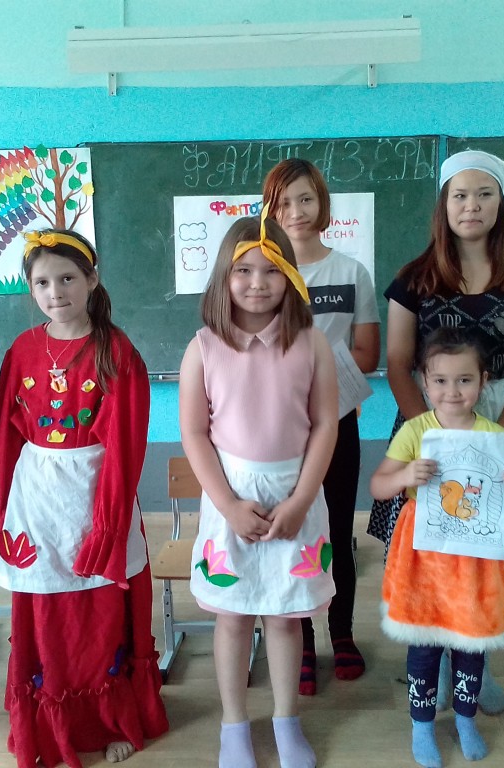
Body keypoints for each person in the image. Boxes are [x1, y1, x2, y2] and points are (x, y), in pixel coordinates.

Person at [0, 230, 168, 767]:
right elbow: (7, 438)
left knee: (99, 611)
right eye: (42, 282)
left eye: (68, 278)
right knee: (46, 608)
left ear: (92, 279)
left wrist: (109, 523)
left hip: (96, 492)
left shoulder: (115, 350)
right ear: (31, 289)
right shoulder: (22, 350)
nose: (55, 291)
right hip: (36, 495)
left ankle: (108, 721)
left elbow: (126, 444)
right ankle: (48, 721)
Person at [367, 149, 504, 712]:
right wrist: (429, 431)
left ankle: (477, 658)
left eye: (484, 194)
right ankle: (435, 659)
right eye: (460, 195)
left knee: (487, 548)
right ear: (444, 206)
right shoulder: (413, 280)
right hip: (428, 426)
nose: (472, 206)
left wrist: (494, 437)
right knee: (432, 546)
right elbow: (398, 363)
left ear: (501, 204)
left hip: (500, 424)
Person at [179, 212, 338, 768]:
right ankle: (234, 726)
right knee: (233, 616)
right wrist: (227, 505)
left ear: (290, 276)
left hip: (296, 493)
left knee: (286, 616)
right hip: (232, 496)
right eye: (242, 270)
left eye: (271, 270)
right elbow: (195, 433)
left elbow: (326, 425)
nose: (256, 283)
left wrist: (299, 501)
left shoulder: (312, 343)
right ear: (224, 276)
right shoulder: (203, 347)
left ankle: (287, 721)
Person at [370, 327, 504, 767]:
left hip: (474, 561)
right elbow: (379, 486)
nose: (452, 391)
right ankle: (422, 727)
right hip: (423, 559)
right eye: (440, 380)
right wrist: (405, 477)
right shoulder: (416, 430)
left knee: (471, 642)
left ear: (484, 381)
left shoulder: (496, 437)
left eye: (464, 380)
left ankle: (465, 719)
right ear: (424, 381)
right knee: (423, 642)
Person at [263, 158, 381, 695]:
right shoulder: (264, 273)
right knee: (293, 532)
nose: (296, 211)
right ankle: (303, 640)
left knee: (335, 529)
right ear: (270, 211)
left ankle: (342, 632)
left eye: (305, 199)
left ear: (323, 204)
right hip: (280, 432)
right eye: (283, 202)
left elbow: (367, 352)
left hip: (336, 425)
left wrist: (323, 391)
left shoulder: (351, 272)